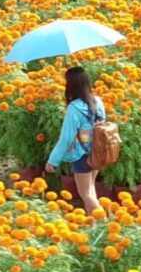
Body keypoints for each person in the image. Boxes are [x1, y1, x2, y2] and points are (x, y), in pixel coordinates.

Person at [44, 66, 105, 213]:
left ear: (71, 85)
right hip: (97, 152)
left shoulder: (74, 108)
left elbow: (66, 138)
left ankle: (106, 224)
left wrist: (52, 161)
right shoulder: (98, 101)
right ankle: (94, 227)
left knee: (86, 194)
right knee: (91, 191)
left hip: (81, 154)